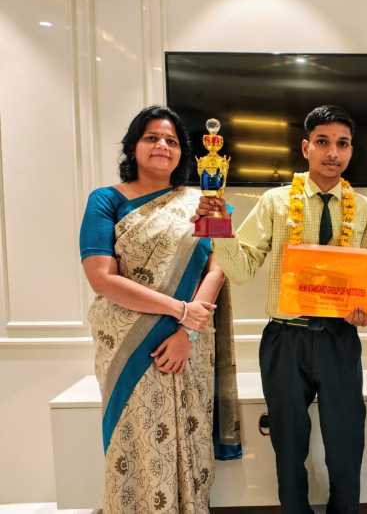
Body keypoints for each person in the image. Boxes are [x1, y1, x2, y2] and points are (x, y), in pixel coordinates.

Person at [195, 105, 367, 514]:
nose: (333, 153)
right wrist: (219, 227)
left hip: (339, 339)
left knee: (347, 441)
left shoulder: (366, 209)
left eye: (343, 144)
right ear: (306, 147)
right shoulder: (275, 203)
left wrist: (362, 308)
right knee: (288, 442)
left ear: (351, 150)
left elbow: (363, 278)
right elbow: (241, 269)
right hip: (285, 338)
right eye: (323, 142)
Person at [80, 105, 241, 514]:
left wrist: (188, 331)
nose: (162, 146)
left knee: (189, 439)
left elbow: (218, 267)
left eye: (171, 140)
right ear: (133, 146)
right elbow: (101, 278)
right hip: (128, 347)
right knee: (136, 442)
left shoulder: (205, 201)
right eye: (151, 137)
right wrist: (180, 310)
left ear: (183, 152)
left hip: (188, 345)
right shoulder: (105, 201)